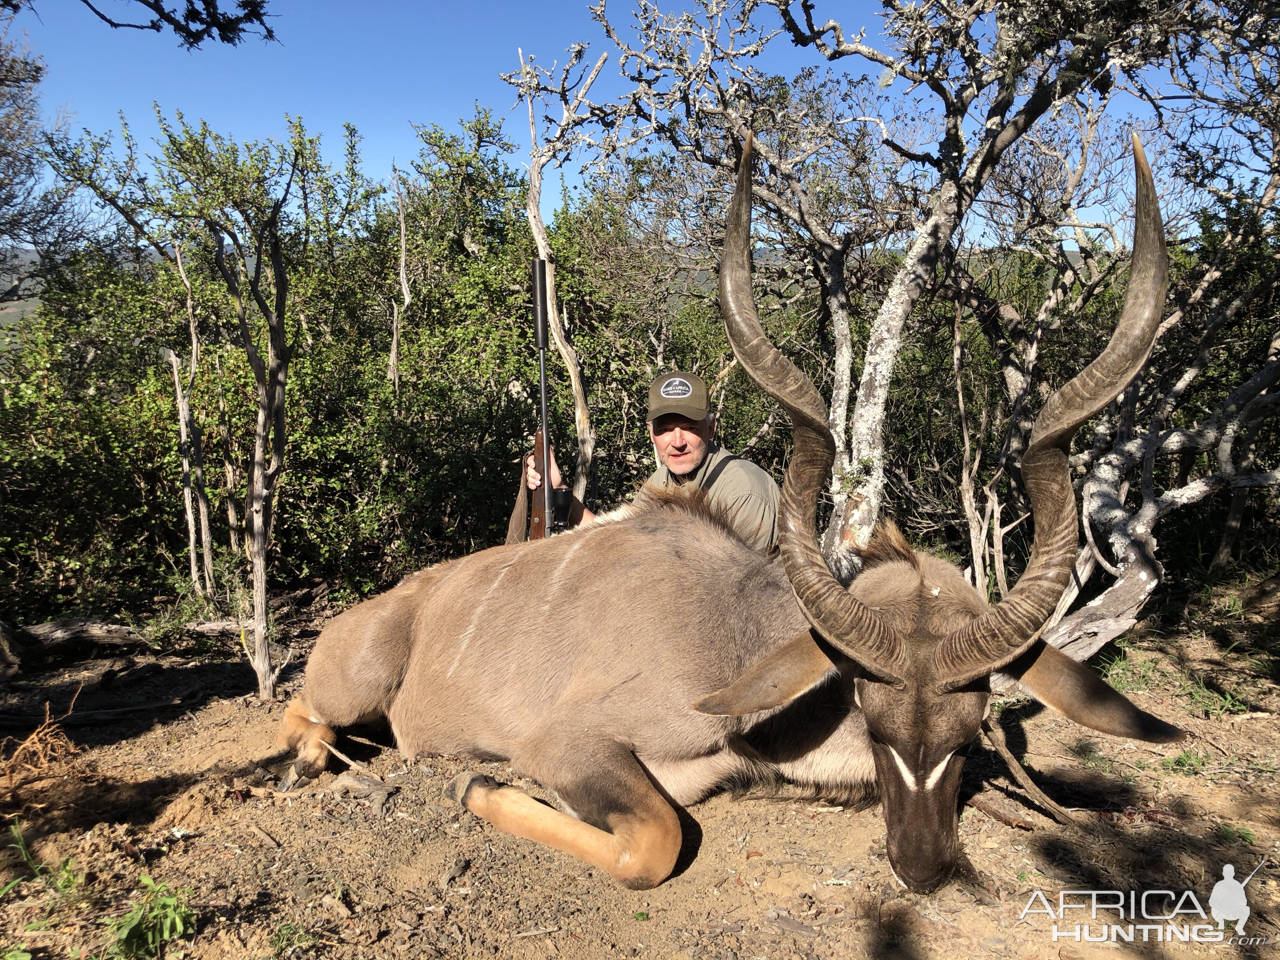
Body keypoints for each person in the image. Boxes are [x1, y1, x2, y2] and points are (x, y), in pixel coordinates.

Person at [526, 371, 780, 553]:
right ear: (651, 433)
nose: (677, 441)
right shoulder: (664, 478)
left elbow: (747, 593)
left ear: (711, 428)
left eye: (690, 427)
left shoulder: (743, 490)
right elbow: (617, 536)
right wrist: (558, 488)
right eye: (666, 429)